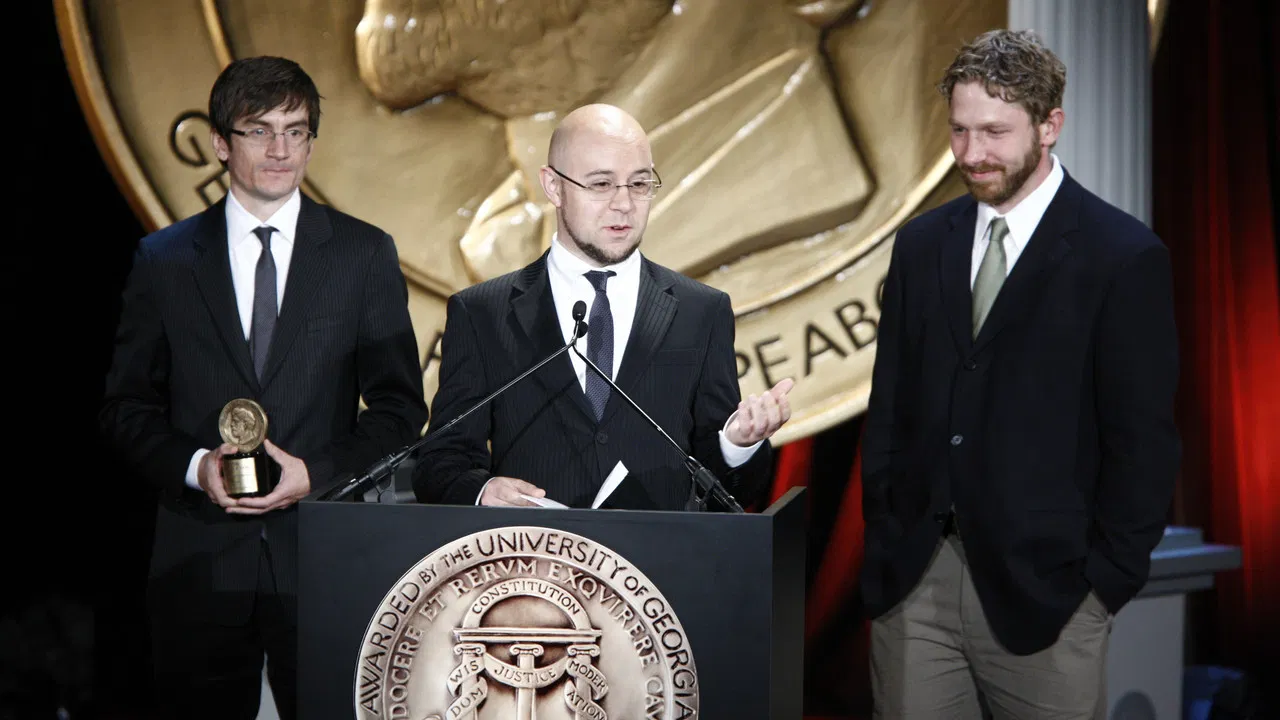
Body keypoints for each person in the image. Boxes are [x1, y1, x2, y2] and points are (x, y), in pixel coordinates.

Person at [859, 29, 1180, 719]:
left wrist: (1103, 585)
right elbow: (891, 406)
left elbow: (1143, 443)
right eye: (960, 130)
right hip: (915, 584)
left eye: (995, 133)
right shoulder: (922, 244)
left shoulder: (1122, 256)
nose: (971, 153)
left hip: (1052, 598)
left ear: (1049, 125)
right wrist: (886, 533)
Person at [99, 56, 428, 719]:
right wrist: (198, 467)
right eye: (259, 130)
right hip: (199, 556)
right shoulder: (165, 260)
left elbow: (398, 410)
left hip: (321, 555)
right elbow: (126, 408)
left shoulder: (362, 254)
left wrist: (316, 473)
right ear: (221, 143)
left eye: (296, 131)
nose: (281, 149)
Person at [413, 104, 791, 511]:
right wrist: (482, 491)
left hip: (656, 551)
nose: (624, 204)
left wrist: (737, 445)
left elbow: (730, 490)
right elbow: (440, 462)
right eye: (601, 184)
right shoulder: (483, 313)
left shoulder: (701, 311)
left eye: (639, 183)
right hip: (533, 548)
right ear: (553, 186)